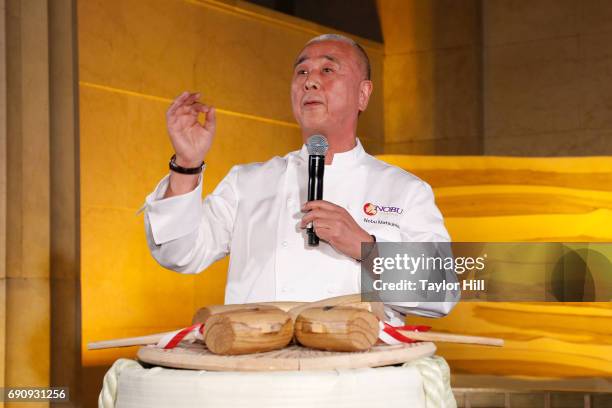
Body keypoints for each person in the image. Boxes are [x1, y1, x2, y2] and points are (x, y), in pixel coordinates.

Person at [143, 34, 457, 318]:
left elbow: (444, 292)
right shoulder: (247, 183)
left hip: (356, 375)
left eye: (328, 70)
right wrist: (186, 164)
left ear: (363, 94)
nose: (310, 81)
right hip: (262, 368)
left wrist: (366, 245)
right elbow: (179, 254)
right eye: (302, 71)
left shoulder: (405, 190)